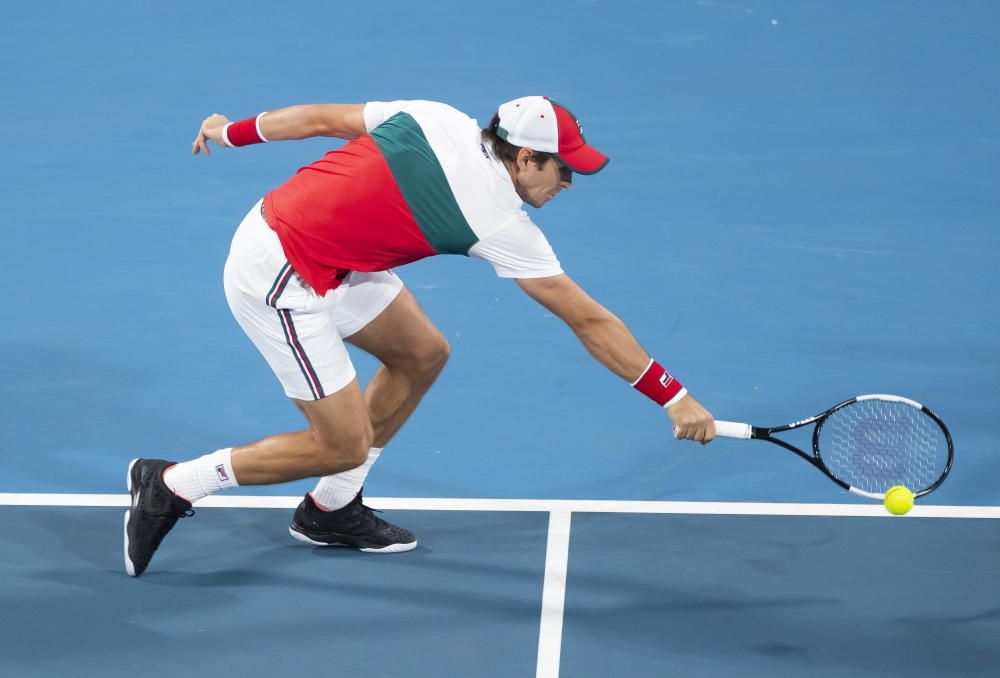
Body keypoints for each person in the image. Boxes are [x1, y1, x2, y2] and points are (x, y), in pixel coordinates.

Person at [124, 96, 716, 577]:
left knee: (421, 354)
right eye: (564, 167)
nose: (569, 180)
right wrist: (674, 396)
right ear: (525, 158)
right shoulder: (499, 222)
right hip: (280, 275)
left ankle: (330, 509)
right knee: (341, 443)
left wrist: (231, 134)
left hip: (317, 244)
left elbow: (320, 120)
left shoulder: (437, 118)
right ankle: (172, 483)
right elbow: (587, 319)